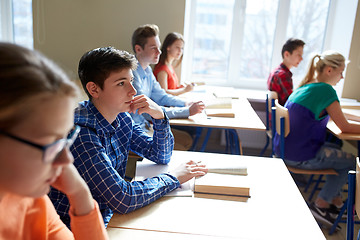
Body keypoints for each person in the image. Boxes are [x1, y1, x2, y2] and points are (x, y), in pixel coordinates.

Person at [49, 46, 208, 227]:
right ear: (94, 89)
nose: (133, 91)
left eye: (132, 81)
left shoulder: (122, 117)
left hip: (107, 216)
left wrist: (159, 116)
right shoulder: (82, 133)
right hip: (73, 228)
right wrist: (175, 177)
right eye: (121, 83)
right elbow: (123, 198)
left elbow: (160, 155)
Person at [0, 43, 108, 239]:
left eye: (65, 139)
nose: (67, 160)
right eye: (51, 144)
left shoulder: (33, 201)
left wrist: (81, 195)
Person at [273, 50, 360, 227]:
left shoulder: (308, 86)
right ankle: (321, 205)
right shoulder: (326, 90)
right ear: (329, 70)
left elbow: (340, 114)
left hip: (286, 150)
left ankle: (334, 202)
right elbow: (344, 126)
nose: (342, 77)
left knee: (338, 152)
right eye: (341, 72)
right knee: (352, 162)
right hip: (301, 156)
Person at [130, 24, 205, 150]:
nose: (159, 52)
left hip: (147, 127)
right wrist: (187, 111)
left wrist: (185, 103)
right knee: (182, 145)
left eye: (158, 47)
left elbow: (162, 97)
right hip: (136, 133)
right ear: (138, 49)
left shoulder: (147, 70)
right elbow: (148, 112)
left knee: (187, 140)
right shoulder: (133, 75)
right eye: (154, 48)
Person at [267, 38, 305, 105]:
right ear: (286, 54)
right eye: (299, 55)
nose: (301, 59)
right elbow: (291, 102)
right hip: (283, 114)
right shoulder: (282, 75)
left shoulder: (276, 71)